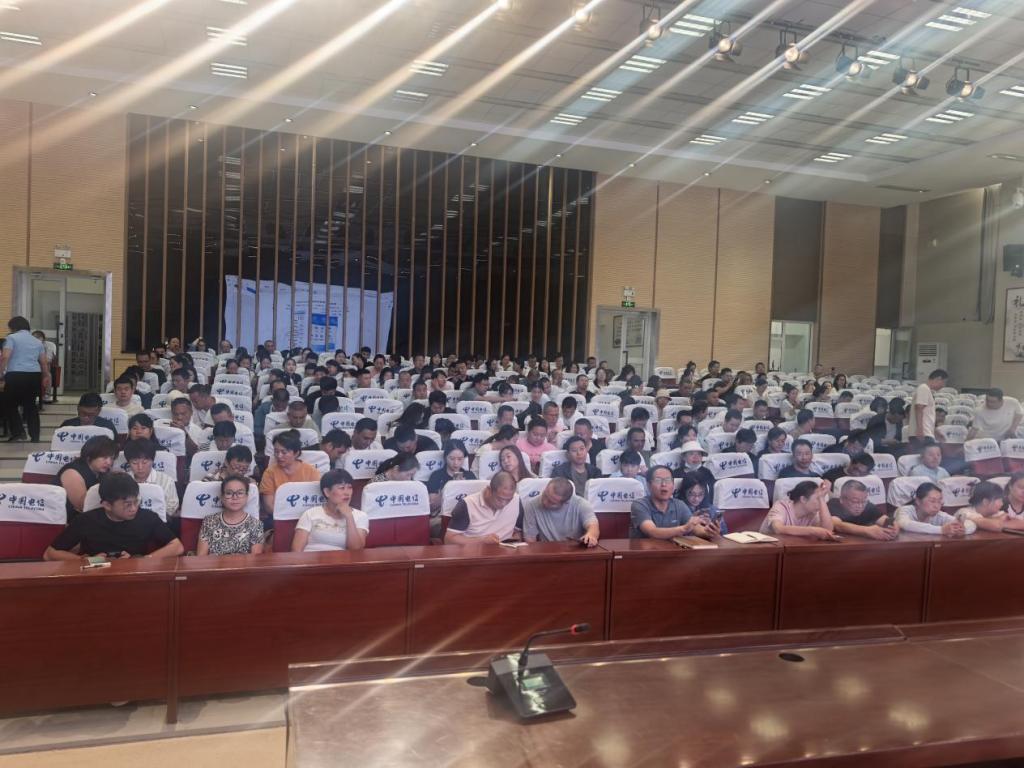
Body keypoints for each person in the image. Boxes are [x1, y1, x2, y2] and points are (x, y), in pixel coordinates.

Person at [44, 474, 184, 561]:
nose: (134, 508)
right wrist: (83, 560)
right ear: (107, 505)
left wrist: (144, 559)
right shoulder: (86, 520)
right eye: (127, 504)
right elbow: (50, 553)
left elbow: (177, 547)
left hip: (133, 573)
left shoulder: (147, 517)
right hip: (95, 575)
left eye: (136, 502)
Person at [290, 469, 368, 552]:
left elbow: (356, 550)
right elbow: (296, 550)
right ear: (327, 492)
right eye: (342, 488)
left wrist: (349, 517)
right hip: (310, 557)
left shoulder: (360, 516)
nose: (347, 493)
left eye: (350, 487)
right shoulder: (310, 514)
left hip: (340, 559)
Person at [630, 465, 715, 540]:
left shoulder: (679, 505)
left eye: (668, 480)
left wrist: (710, 532)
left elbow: (696, 529)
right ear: (648, 485)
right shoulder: (640, 505)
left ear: (673, 485)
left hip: (673, 551)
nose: (664, 484)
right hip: (646, 551)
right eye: (658, 480)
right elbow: (652, 532)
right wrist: (684, 529)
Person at [0, 316, 50, 442]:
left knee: (8, 403)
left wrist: (0, 374)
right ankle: (35, 436)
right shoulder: (37, 341)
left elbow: (5, 357)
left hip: (16, 374)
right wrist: (46, 376)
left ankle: (18, 432)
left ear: (14, 327)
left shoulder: (11, 338)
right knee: (31, 406)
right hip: (34, 375)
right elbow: (43, 362)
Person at [444, 471, 522, 544]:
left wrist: (516, 539)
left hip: (505, 549)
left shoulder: (516, 500)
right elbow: (449, 539)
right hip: (474, 551)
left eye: (508, 500)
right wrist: (482, 540)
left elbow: (518, 531)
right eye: (499, 499)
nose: (504, 504)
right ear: (489, 490)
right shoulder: (467, 505)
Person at [55, 435, 119, 521]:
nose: (109, 462)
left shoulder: (102, 471)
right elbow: (83, 506)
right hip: (70, 519)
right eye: (104, 457)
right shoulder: (72, 472)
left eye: (112, 458)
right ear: (90, 455)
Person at [259, 432, 323, 518]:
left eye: (284, 452)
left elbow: (317, 502)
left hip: (306, 517)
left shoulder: (311, 471)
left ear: (296, 453)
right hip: (279, 517)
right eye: (276, 451)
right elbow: (268, 506)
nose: (279, 456)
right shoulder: (270, 473)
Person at [196, 476, 265, 555]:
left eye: (240, 493)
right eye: (229, 493)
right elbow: (201, 557)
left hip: (244, 563)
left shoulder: (256, 525)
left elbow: (255, 560)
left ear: (246, 497)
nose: (235, 497)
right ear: (222, 497)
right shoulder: (209, 522)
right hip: (214, 563)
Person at [522, 477, 599, 546]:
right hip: (546, 550)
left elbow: (593, 526)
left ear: (566, 503)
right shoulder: (531, 505)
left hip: (575, 550)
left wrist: (591, 535)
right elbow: (530, 539)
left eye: (551, 502)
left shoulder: (581, 504)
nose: (544, 502)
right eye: (545, 495)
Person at [761, 479, 838, 540]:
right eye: (817, 499)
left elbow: (828, 530)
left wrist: (821, 498)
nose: (821, 504)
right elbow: (778, 529)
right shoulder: (781, 506)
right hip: (770, 549)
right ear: (803, 499)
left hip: (795, 548)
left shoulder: (813, 512)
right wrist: (812, 531)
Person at [123, 438, 179, 519]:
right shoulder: (122, 481)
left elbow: (172, 506)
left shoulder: (166, 480)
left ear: (152, 461)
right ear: (128, 463)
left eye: (145, 462)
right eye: (134, 463)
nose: (140, 467)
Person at [895, 482, 974, 536]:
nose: (936, 506)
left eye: (939, 501)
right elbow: (905, 524)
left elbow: (971, 524)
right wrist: (941, 530)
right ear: (918, 501)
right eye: (932, 501)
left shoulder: (939, 515)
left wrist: (963, 529)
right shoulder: (905, 510)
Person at [828, 479, 896, 540]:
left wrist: (893, 528)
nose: (860, 506)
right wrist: (867, 531)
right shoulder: (833, 505)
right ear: (841, 499)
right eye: (855, 502)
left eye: (863, 501)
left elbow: (886, 520)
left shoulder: (868, 506)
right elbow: (838, 525)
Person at [426, 440, 476, 515]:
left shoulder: (470, 476)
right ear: (445, 458)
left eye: (460, 459)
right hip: (443, 515)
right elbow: (432, 507)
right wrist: (449, 489)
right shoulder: (436, 476)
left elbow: (476, 502)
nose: (456, 463)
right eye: (452, 459)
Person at [909, 369, 948, 447]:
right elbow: (919, 408)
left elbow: (927, 416)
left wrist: (935, 432)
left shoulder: (926, 390)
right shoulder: (924, 388)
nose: (943, 386)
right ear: (938, 379)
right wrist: (920, 430)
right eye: (943, 382)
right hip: (923, 434)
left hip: (926, 433)